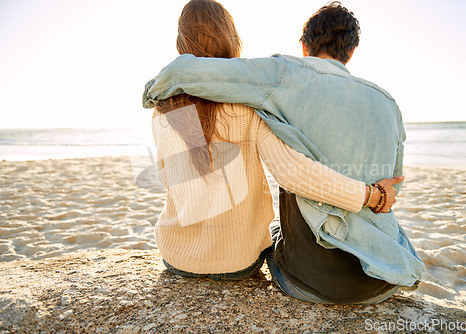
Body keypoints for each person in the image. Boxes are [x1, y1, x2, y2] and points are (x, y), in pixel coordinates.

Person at [143, 1, 423, 302]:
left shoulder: (163, 112)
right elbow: (389, 182)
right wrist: (370, 195)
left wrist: (154, 91)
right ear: (351, 51)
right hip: (245, 261)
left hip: (180, 256)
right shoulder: (387, 103)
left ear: (304, 46)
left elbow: (174, 178)